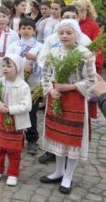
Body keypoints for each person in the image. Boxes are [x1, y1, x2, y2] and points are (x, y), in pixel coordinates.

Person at [39, 19, 96, 195]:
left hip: (75, 99)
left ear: (76, 34)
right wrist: (50, 89)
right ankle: (58, 171)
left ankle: (68, 176)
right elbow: (46, 75)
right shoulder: (53, 53)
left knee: (71, 139)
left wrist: (69, 87)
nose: (64, 36)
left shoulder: (84, 53)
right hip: (56, 98)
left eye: (68, 33)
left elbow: (91, 80)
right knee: (57, 136)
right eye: (61, 33)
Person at [0, 54, 31, 187]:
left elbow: (27, 105)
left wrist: (10, 109)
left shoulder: (23, 86)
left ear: (17, 68)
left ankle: (13, 173)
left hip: (15, 121)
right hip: (0, 117)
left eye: (9, 66)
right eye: (3, 66)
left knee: (13, 150)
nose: (5, 68)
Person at [7, 18, 42, 155]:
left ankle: (32, 139)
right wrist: (18, 68)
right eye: (23, 28)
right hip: (16, 82)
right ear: (19, 30)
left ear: (34, 31)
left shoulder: (39, 46)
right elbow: (7, 60)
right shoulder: (14, 45)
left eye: (29, 28)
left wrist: (34, 64)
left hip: (33, 83)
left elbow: (46, 63)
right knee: (14, 108)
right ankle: (13, 135)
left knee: (31, 111)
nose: (26, 31)